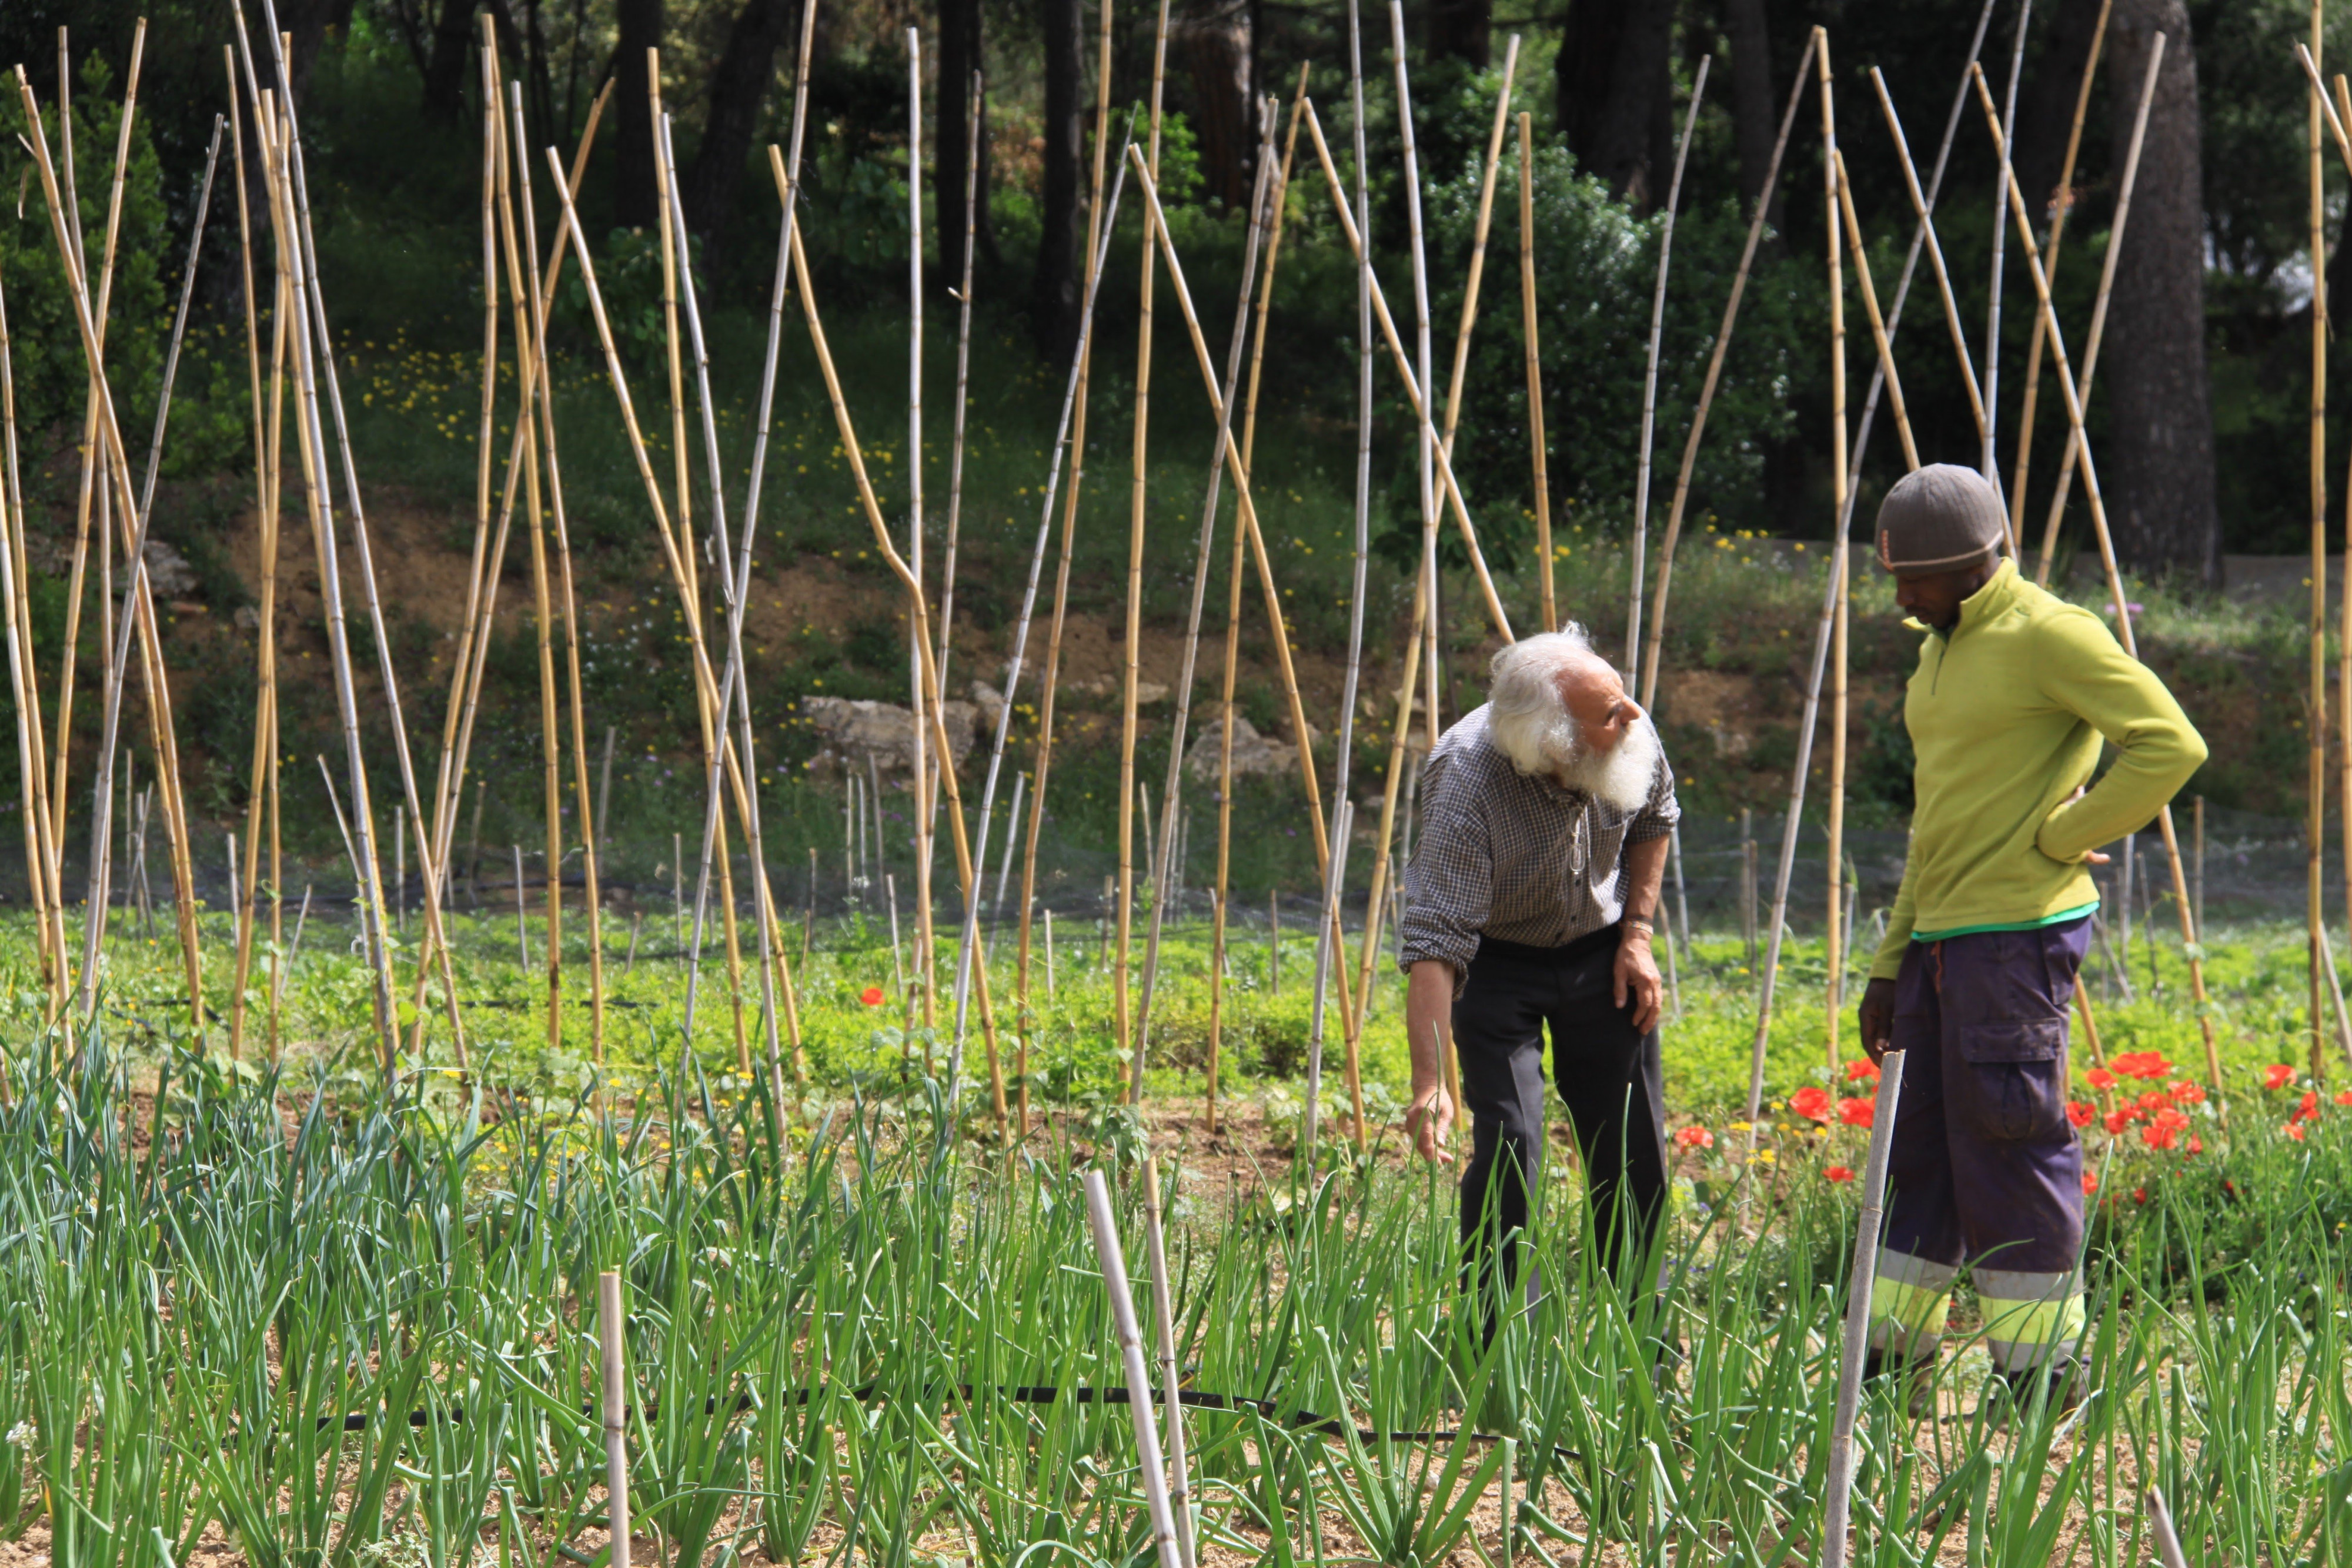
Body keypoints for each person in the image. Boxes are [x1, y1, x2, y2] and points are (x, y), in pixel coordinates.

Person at [1855, 464, 2206, 1412]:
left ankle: (2042, 1381)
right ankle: (1891, 1366)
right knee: (1913, 1152)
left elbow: (2170, 742)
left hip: (2013, 939)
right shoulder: (1943, 645)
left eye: (1917, 578)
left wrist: (2066, 833)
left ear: (1975, 564)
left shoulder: (2051, 632)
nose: (1902, 596)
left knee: (2010, 1143)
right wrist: (1891, 961)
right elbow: (1939, 822)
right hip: (1940, 937)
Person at [1399, 626, 1679, 1320]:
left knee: (1630, 1146)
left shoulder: (1628, 728)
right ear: (1559, 745)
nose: (1632, 716)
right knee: (1509, 1150)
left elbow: (1655, 818)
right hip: (1497, 963)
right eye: (1608, 715)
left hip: (1601, 951)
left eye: (1622, 699)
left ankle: (1638, 1337)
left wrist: (1638, 936)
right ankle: (1495, 1349)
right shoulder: (1466, 779)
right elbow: (1436, 940)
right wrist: (1431, 1085)